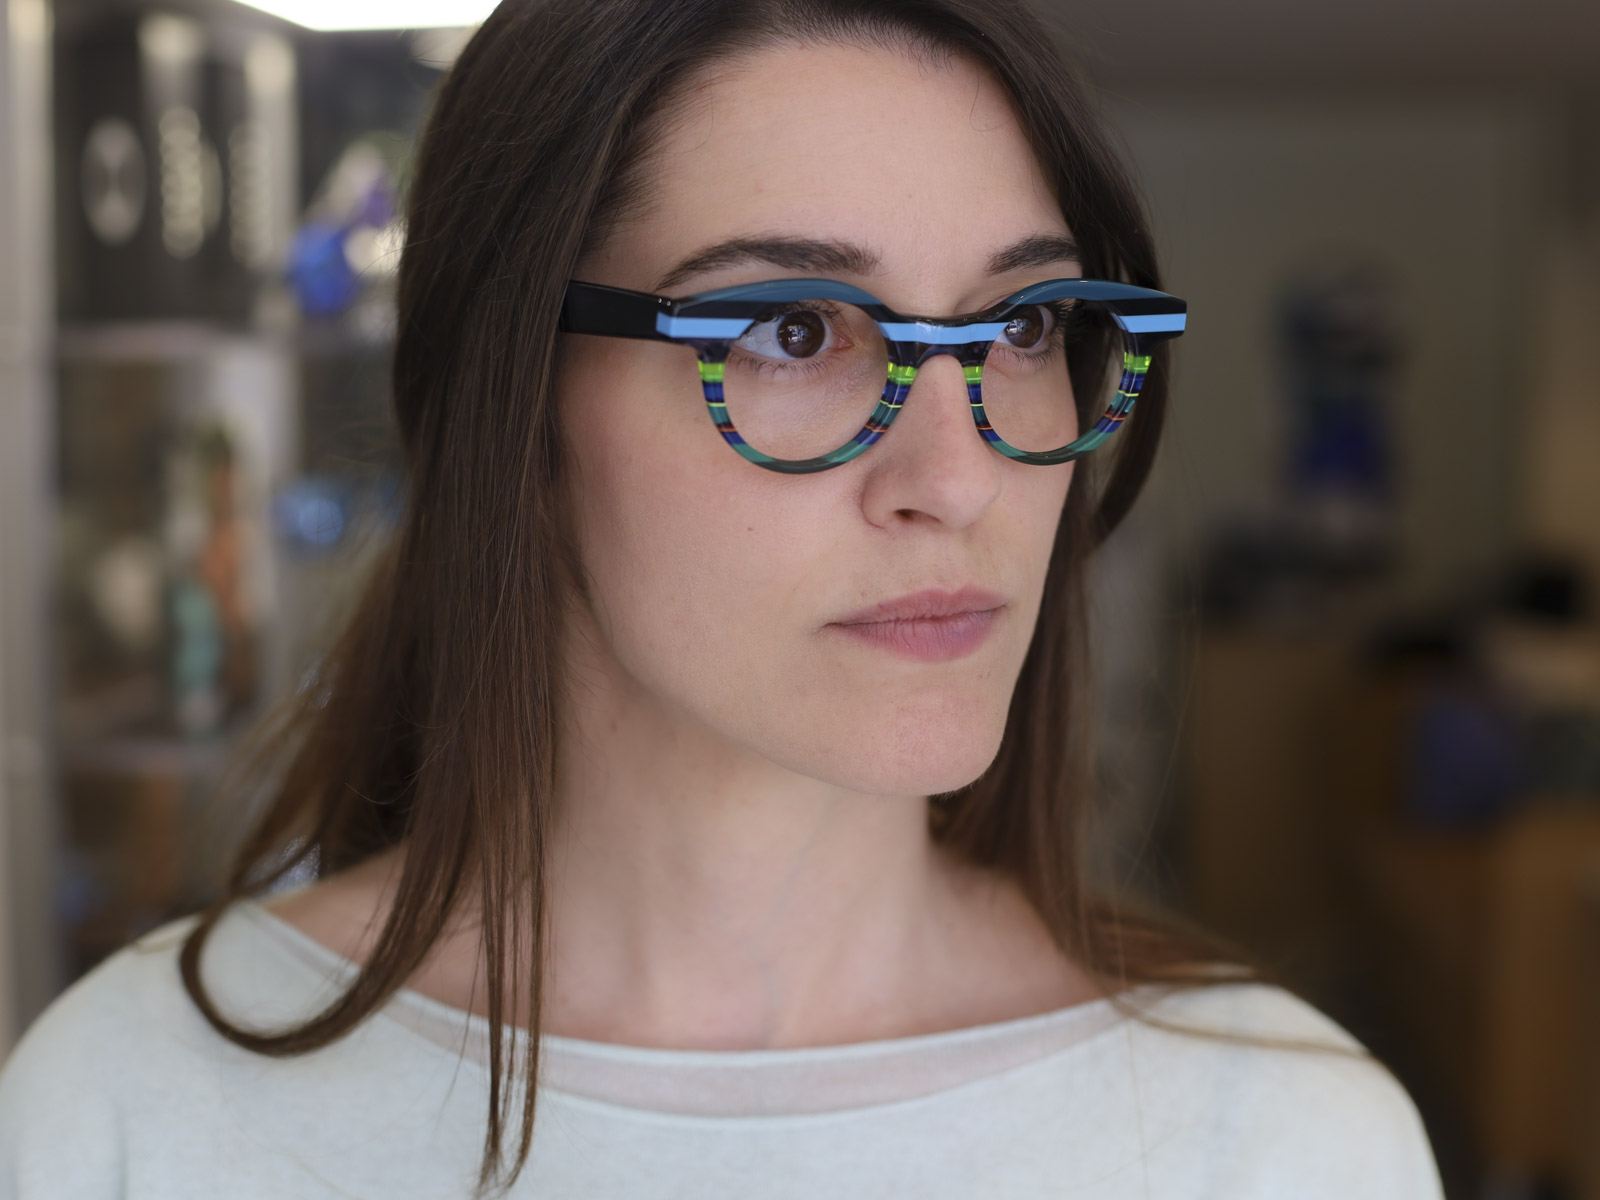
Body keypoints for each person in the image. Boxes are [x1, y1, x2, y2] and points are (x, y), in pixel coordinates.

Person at [0, 1, 1444, 1196]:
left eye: (1024, 327)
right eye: (795, 330)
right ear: (515, 407)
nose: (957, 478)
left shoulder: (1283, 1145)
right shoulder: (139, 1107)